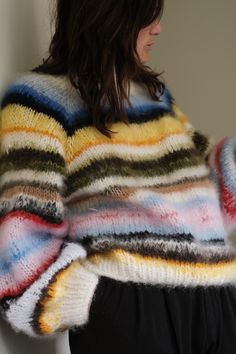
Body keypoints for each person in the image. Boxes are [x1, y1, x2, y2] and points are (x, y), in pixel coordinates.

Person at [0, 0, 236, 353]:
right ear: (110, 14)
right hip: (135, 313)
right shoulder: (39, 103)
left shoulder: (155, 98)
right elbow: (21, 247)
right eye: (147, 15)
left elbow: (207, 199)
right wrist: (96, 300)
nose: (158, 28)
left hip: (220, 303)